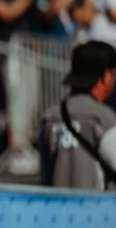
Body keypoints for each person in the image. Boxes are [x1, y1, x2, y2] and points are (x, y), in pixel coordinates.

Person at [39, 40, 116, 190]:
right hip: (94, 210)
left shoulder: (50, 117)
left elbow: (45, 176)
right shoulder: (103, 118)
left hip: (55, 210)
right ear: (106, 76)